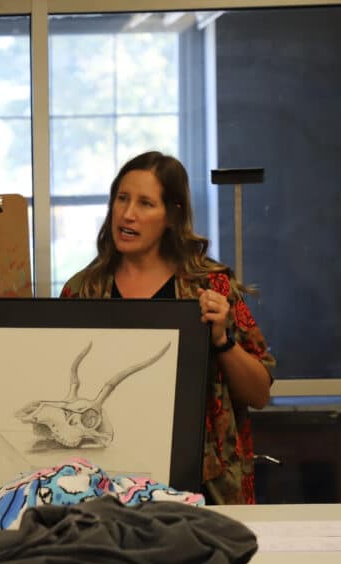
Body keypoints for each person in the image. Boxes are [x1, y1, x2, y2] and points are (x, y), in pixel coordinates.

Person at [60, 151, 275, 505]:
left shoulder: (211, 287)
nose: (128, 214)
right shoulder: (82, 290)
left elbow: (259, 394)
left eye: (146, 203)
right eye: (122, 199)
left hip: (199, 487)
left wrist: (222, 340)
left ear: (172, 215)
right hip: (101, 484)